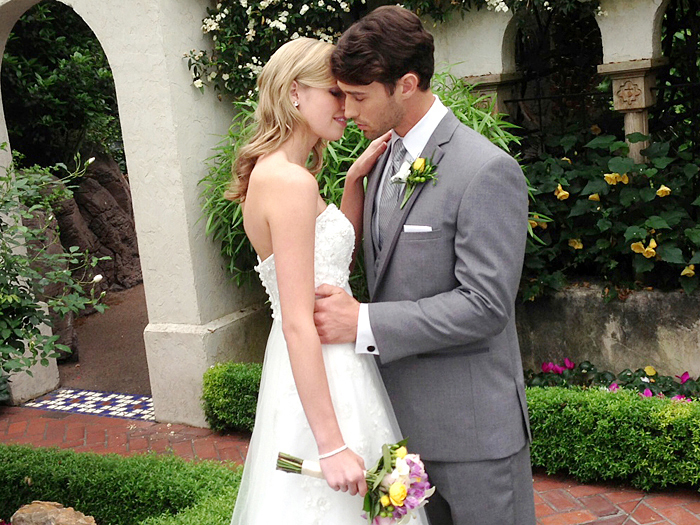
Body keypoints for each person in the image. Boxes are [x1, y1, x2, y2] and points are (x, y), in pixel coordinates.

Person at [313, 6, 537, 525]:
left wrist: (362, 322)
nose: (346, 110)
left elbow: (485, 305)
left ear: (406, 84)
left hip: (474, 435)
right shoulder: (383, 158)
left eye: (360, 96)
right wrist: (351, 186)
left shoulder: (485, 170)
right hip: (399, 432)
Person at [227, 37, 429, 525]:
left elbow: (328, 261)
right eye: (335, 93)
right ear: (295, 92)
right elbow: (298, 321)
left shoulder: (279, 172)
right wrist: (332, 444)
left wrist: (352, 185)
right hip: (322, 368)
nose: (346, 107)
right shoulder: (291, 182)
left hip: (329, 361)